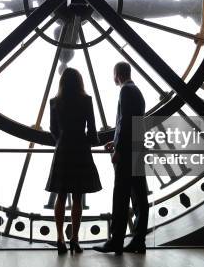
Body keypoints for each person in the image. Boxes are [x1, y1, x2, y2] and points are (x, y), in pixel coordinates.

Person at [93, 62, 148, 255]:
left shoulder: (125, 91)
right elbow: (132, 123)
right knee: (139, 197)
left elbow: (124, 122)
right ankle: (138, 241)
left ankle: (116, 240)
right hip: (137, 151)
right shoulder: (137, 91)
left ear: (116, 74)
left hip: (127, 154)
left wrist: (119, 149)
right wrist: (117, 144)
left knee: (121, 197)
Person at [45, 68, 102, 254]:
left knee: (61, 196)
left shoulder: (55, 102)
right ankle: (74, 239)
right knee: (77, 197)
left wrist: (61, 140)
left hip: (63, 149)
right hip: (80, 149)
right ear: (80, 81)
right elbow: (92, 129)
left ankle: (59, 237)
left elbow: (53, 129)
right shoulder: (86, 101)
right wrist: (90, 141)